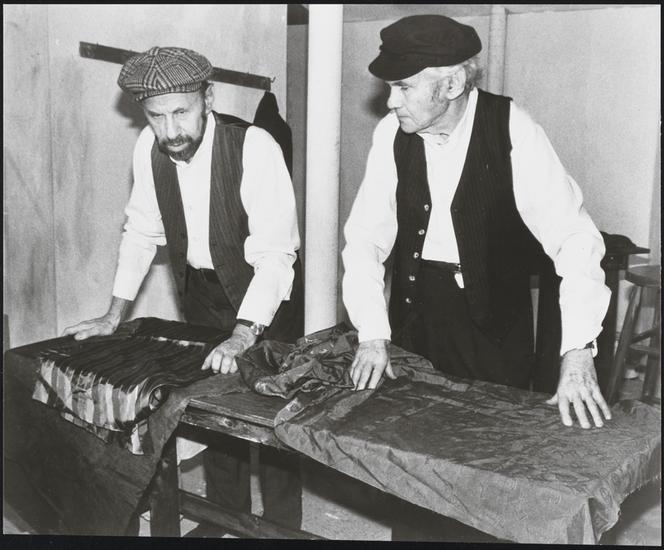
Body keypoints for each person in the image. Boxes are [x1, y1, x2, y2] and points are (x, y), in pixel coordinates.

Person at [63, 46, 303, 534]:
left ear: (207, 98)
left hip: (266, 295)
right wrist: (113, 314)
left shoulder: (254, 147)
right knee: (209, 407)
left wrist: (243, 334)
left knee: (273, 418)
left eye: (181, 112)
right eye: (157, 116)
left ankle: (283, 528)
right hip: (201, 294)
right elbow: (140, 233)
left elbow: (277, 255)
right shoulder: (148, 149)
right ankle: (224, 517)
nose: (171, 130)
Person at [342, 15, 613, 432]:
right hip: (415, 315)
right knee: (407, 438)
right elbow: (364, 237)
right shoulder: (390, 133)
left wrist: (578, 349)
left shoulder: (513, 128)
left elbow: (574, 238)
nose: (391, 101)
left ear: (451, 84)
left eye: (404, 87)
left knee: (489, 442)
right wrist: (373, 332)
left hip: (492, 330)